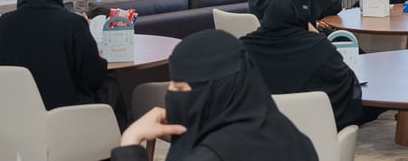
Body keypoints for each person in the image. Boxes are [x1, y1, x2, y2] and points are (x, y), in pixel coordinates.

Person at [111, 29, 317, 161]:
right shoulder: (292, 136)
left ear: (215, 92)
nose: (170, 95)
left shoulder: (210, 155)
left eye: (180, 89)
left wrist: (130, 141)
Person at [240, 0, 362, 130]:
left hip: (258, 136)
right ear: (305, 10)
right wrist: (317, 35)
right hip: (314, 137)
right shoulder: (319, 49)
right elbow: (348, 91)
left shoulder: (242, 50)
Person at [0, 0, 108, 110]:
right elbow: (93, 76)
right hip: (68, 115)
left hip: (16, 114)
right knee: (111, 84)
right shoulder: (73, 24)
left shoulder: (4, 23)